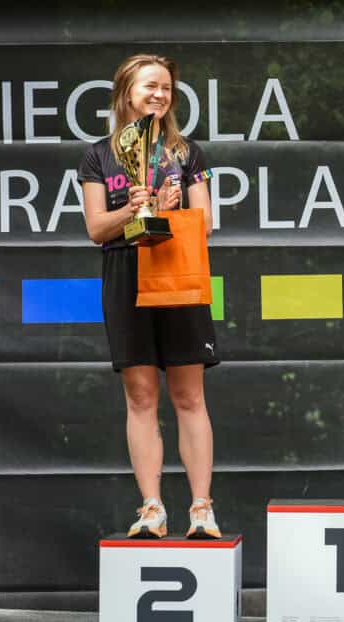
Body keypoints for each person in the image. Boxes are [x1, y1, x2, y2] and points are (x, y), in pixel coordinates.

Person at [78, 54, 219, 539]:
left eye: (165, 88)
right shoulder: (99, 155)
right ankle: (152, 507)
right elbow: (96, 228)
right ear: (126, 93)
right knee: (140, 396)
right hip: (125, 272)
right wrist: (132, 210)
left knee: (189, 395)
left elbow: (207, 222)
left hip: (178, 269)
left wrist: (166, 211)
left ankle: (202, 508)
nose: (159, 95)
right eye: (149, 86)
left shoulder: (186, 152)